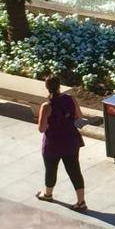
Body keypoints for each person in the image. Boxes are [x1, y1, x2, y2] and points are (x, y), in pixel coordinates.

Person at [35, 76, 86, 210]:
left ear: (46, 87)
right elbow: (79, 116)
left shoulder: (46, 106)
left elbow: (41, 129)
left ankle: (48, 194)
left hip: (53, 144)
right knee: (75, 170)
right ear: (59, 86)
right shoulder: (70, 98)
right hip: (70, 140)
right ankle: (81, 202)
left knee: (51, 169)